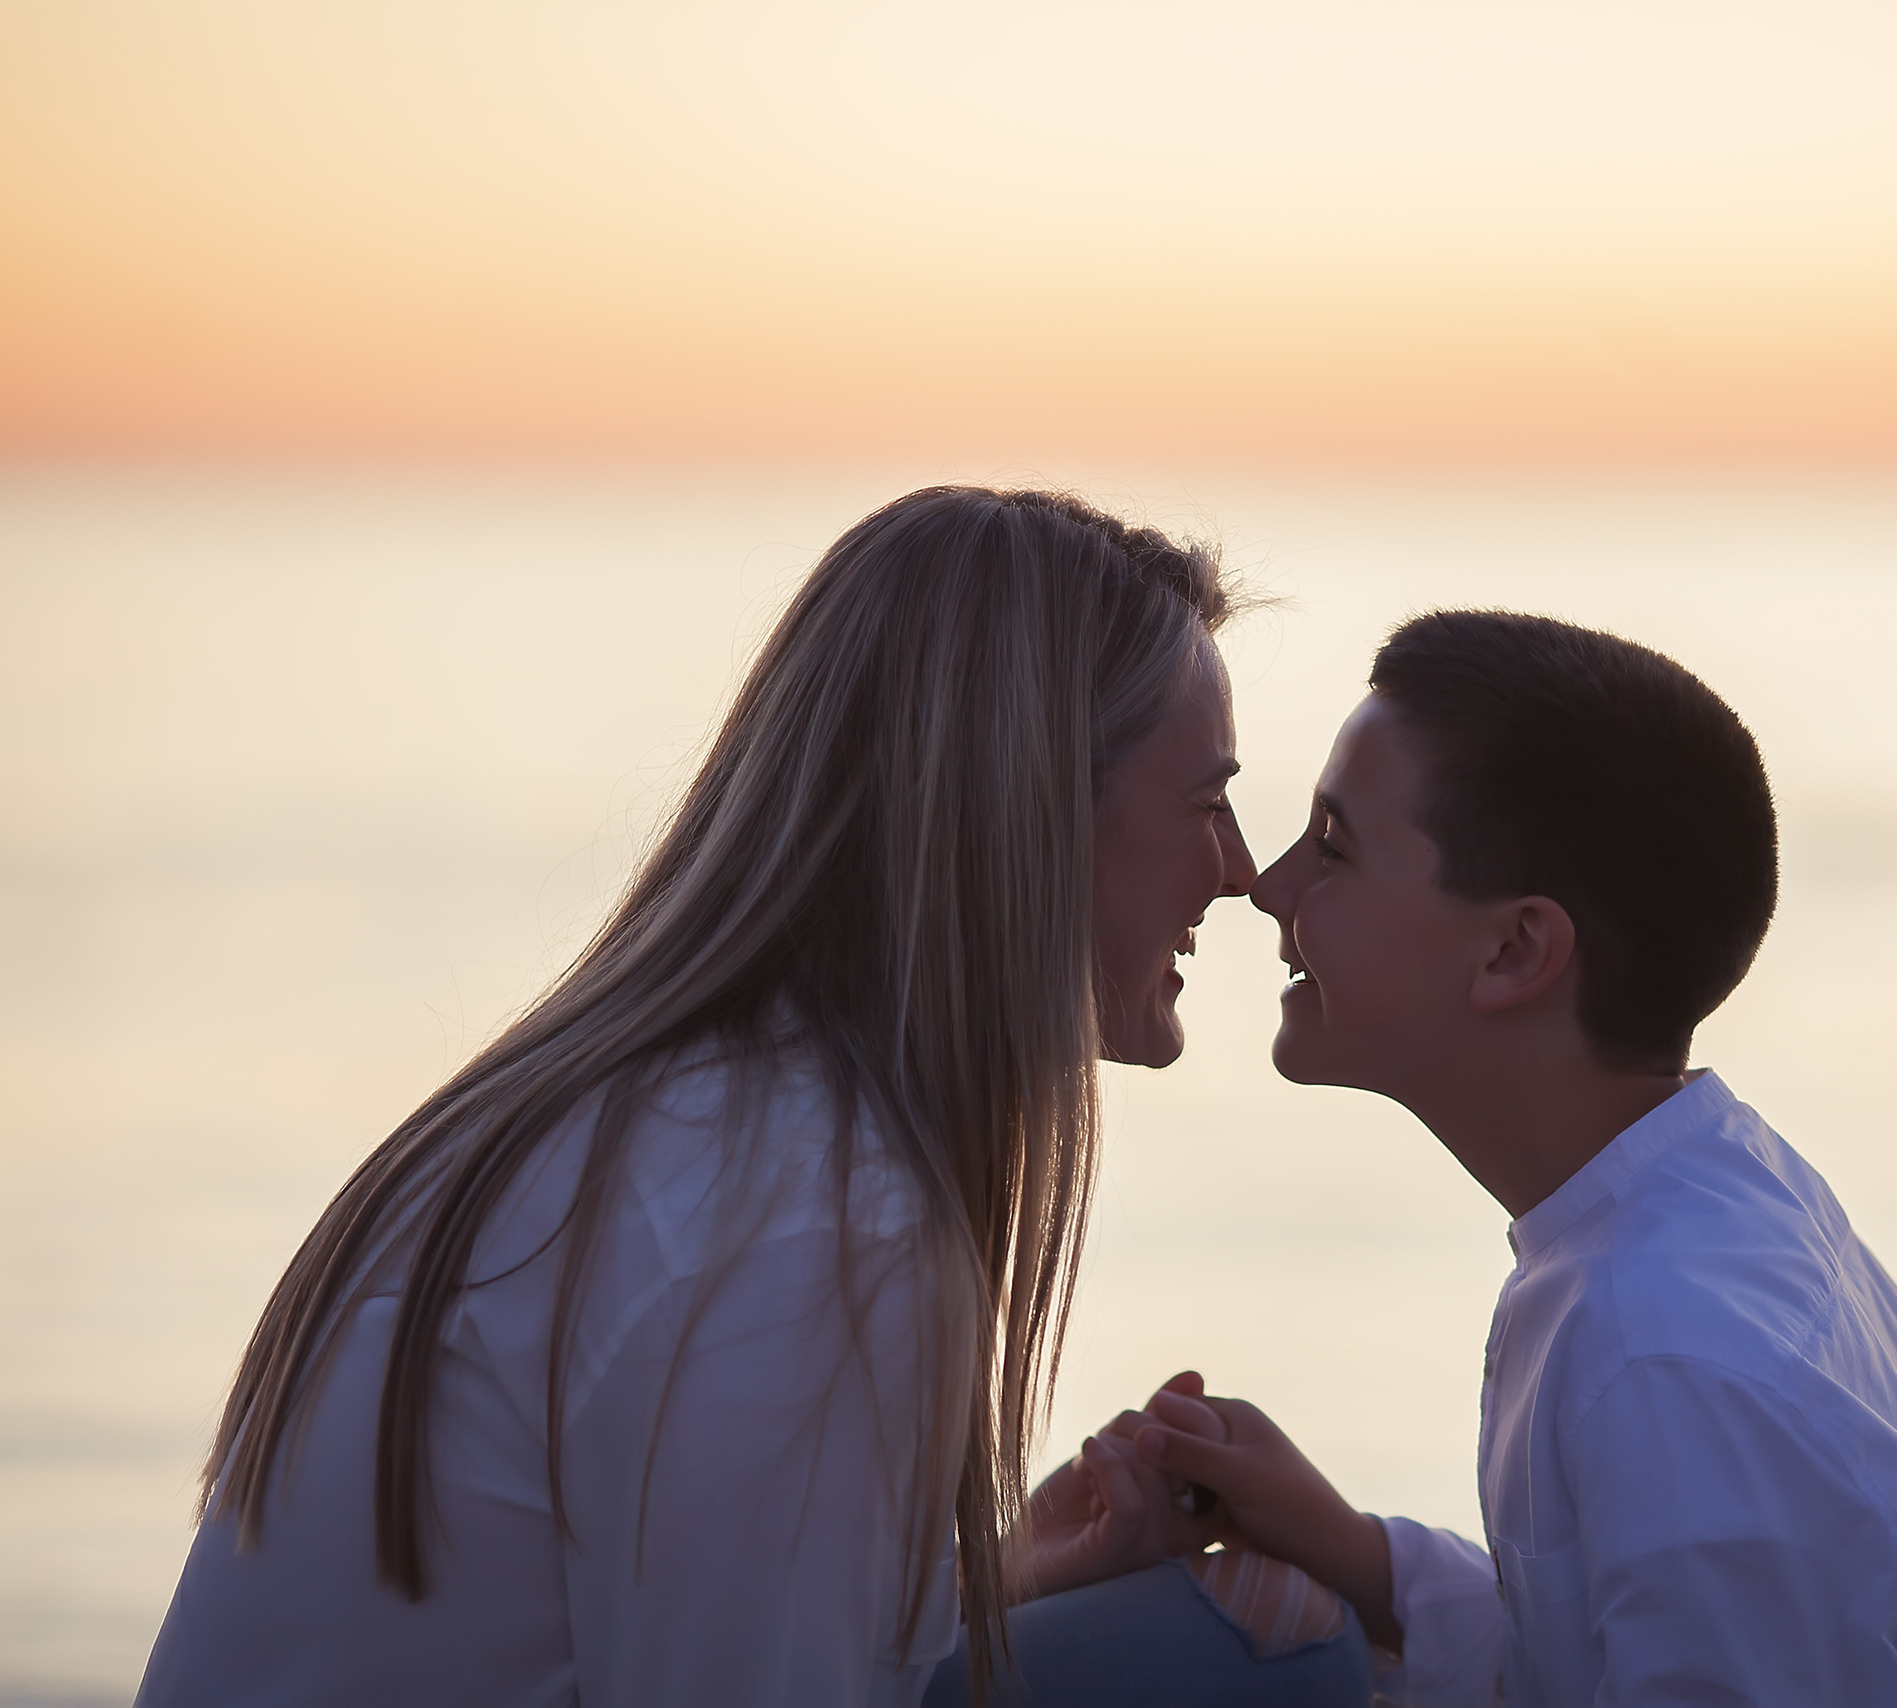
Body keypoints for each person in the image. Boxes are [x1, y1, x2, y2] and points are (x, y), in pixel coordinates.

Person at [138, 487, 1369, 1707]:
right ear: (1037, 810)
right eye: (1208, 802)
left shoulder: (662, 1117)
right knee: (1274, 1649)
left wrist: (1004, 1573)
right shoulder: (815, 1226)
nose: (1242, 873)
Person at [1125, 610, 1897, 1706]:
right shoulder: (1691, 1213)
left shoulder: (1669, 1349)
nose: (1269, 884)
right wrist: (1356, 1556)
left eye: (1333, 846)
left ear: (1514, 949)